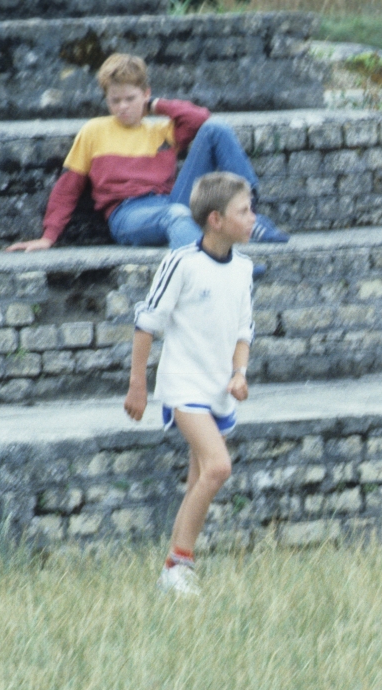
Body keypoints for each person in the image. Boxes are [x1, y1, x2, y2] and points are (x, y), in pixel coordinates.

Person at [6, 53, 288, 253]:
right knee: (176, 214)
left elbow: (201, 118)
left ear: (145, 93)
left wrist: (155, 105)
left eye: (130, 98)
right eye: (114, 101)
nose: (122, 107)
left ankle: (248, 214)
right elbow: (68, 186)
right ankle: (212, 267)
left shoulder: (161, 130)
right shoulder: (94, 131)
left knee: (217, 128)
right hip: (127, 215)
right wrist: (48, 237)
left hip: (170, 200)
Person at [123, 172, 256, 596]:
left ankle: (174, 568)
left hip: (218, 393)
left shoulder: (244, 269)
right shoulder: (181, 263)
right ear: (216, 219)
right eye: (243, 211)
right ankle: (180, 564)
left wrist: (239, 373)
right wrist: (138, 385)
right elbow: (147, 323)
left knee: (200, 479)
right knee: (218, 467)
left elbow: (243, 331)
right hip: (183, 387)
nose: (253, 218)